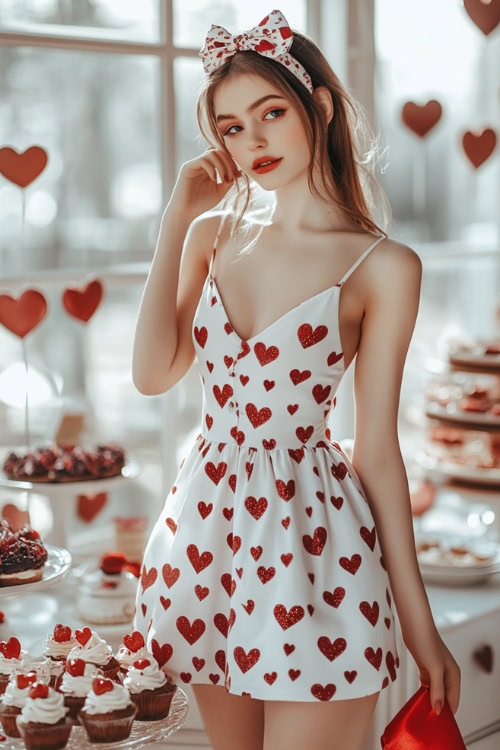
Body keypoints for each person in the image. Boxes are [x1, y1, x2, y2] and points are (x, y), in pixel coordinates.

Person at [131, 9, 461, 750]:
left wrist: (420, 627)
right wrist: (176, 215)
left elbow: (377, 452)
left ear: (319, 106)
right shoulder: (210, 235)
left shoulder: (383, 266)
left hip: (317, 558)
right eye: (231, 128)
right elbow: (153, 374)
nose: (251, 143)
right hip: (205, 540)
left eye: (270, 114)